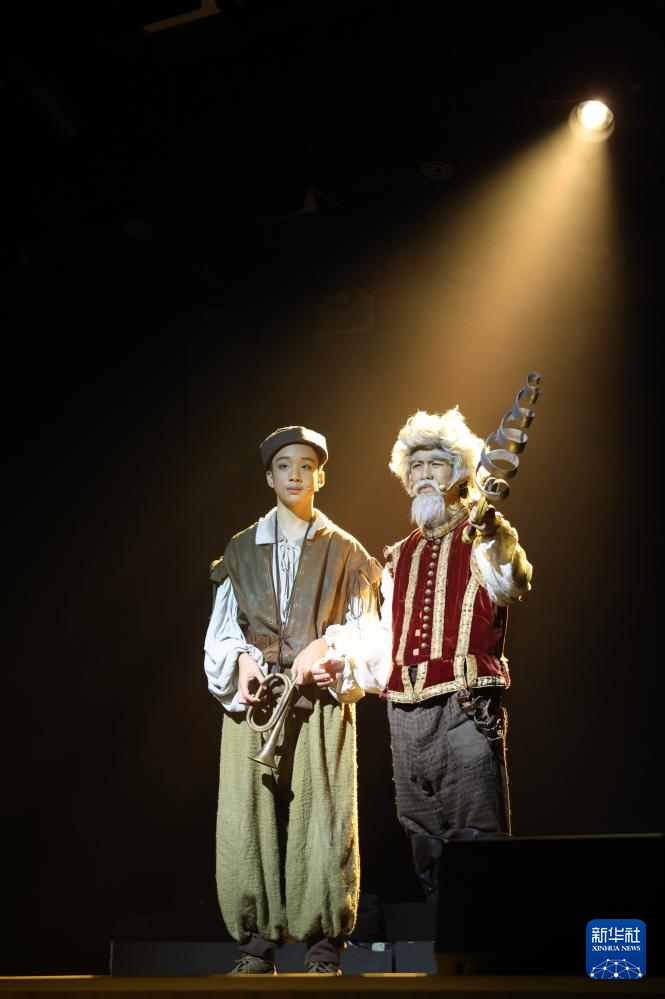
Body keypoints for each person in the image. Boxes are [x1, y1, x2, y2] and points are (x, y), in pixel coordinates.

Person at [319, 407, 533, 916]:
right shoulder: (399, 555)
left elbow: (512, 582)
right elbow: (385, 638)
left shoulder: (481, 536)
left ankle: (491, 948)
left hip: (463, 707)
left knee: (477, 833)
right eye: (414, 467)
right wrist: (347, 666)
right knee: (425, 840)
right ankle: (449, 944)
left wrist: (492, 531)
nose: (422, 475)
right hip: (406, 716)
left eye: (434, 464)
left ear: (458, 471)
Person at [203, 425, 381, 975]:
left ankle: (324, 948)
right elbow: (222, 630)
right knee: (247, 815)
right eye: (285, 466)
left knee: (324, 814)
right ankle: (256, 947)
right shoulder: (240, 550)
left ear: (320, 477)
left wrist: (328, 647)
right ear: (269, 477)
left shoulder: (345, 551)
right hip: (257, 701)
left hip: (320, 699)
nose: (296, 475)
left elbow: (369, 631)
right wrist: (241, 662)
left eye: (307, 466)